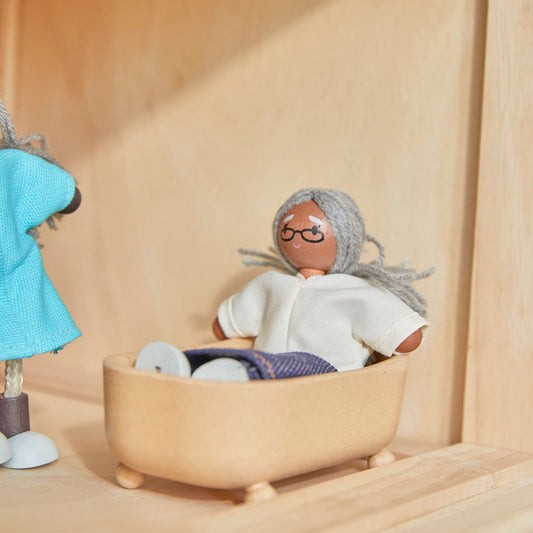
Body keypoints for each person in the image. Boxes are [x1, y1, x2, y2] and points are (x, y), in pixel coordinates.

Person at [137, 188, 432, 381]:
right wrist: (227, 325)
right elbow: (225, 326)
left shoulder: (354, 292)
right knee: (236, 360)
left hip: (323, 377)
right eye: (288, 230)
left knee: (262, 370)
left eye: (311, 232)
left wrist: (400, 333)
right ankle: (179, 369)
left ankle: (217, 377)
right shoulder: (272, 284)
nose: (297, 237)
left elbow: (405, 337)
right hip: (267, 370)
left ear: (346, 237)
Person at [0, 98, 82, 468]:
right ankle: (14, 433)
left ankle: (15, 432)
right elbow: (67, 193)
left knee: (13, 359)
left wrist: (68, 195)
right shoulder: (13, 167)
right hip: (12, 283)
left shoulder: (11, 167)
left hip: (11, 283)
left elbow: (66, 193)